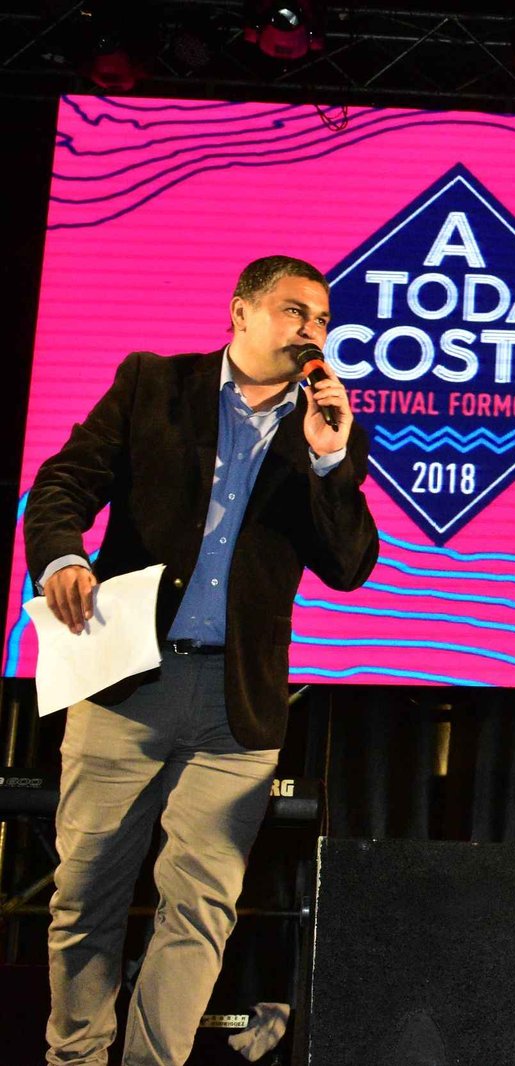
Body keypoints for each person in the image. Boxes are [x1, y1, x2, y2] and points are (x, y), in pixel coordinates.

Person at [24, 255, 380, 1066]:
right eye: (295, 312)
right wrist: (62, 558)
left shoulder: (324, 428)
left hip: (238, 704)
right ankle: (75, 1057)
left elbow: (350, 565)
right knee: (85, 896)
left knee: (201, 908)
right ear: (241, 312)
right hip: (127, 684)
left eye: (323, 321)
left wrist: (331, 462)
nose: (311, 331)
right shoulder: (154, 385)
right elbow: (62, 486)